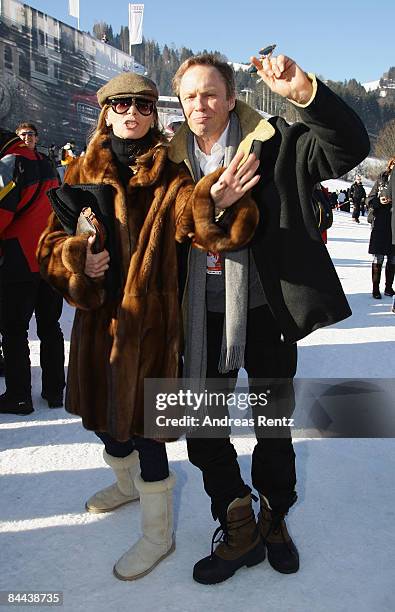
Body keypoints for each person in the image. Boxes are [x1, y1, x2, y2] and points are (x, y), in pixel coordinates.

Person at [37, 72, 259, 581]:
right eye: (121, 105)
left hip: (152, 327)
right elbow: (49, 244)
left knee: (145, 433)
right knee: (100, 420)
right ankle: (125, 484)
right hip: (98, 325)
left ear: (153, 113)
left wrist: (215, 203)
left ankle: (158, 533)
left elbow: (190, 215)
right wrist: (77, 261)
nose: (132, 113)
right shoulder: (77, 172)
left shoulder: (170, 170)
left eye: (141, 105)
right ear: (106, 112)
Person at [169, 51, 370, 584]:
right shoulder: (167, 161)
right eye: (190, 95)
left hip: (267, 314)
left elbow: (350, 147)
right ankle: (237, 516)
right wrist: (210, 205)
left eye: (210, 93)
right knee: (203, 428)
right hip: (199, 318)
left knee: (273, 428)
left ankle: (275, 517)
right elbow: (158, 230)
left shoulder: (275, 142)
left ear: (232, 98)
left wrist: (305, 91)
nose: (200, 105)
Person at [0, 124, 65, 415]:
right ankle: (54, 391)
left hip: (18, 259)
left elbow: (2, 214)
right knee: (51, 327)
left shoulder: (9, 163)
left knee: (15, 331)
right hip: (49, 257)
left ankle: (19, 397)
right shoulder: (46, 162)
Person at [367, 157, 395, 299]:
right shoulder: (381, 179)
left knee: (393, 258)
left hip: (394, 224)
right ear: (390, 165)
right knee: (378, 257)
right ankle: (375, 289)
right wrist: (379, 200)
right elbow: (369, 199)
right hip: (380, 223)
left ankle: (389, 287)